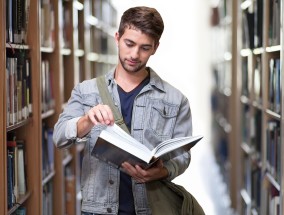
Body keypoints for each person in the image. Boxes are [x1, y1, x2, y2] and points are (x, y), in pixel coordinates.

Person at [53, 6, 193, 215]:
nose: (135, 54)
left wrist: (162, 171)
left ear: (155, 47)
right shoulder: (86, 91)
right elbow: (59, 137)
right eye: (129, 44)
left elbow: (183, 157)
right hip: (98, 210)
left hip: (150, 209)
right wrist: (87, 120)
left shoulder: (176, 100)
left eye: (145, 48)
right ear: (117, 37)